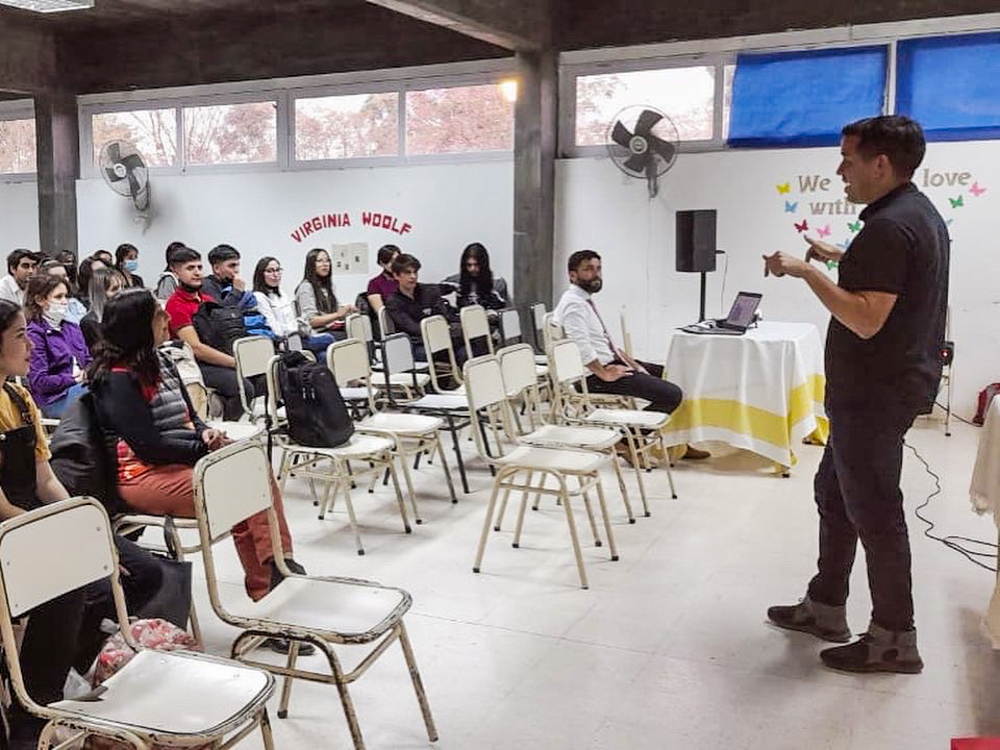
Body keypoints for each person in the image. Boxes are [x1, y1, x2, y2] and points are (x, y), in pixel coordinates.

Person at [764, 116, 949, 674]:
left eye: (847, 159)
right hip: (879, 391)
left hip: (874, 394)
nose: (839, 170)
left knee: (875, 512)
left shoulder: (890, 227)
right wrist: (839, 257)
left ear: (881, 164)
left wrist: (804, 272)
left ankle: (894, 637)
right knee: (835, 495)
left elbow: (867, 318)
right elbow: (890, 278)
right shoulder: (915, 215)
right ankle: (826, 605)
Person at [0, 298, 162, 750]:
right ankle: (33, 709)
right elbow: (1, 507)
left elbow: (46, 480)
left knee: (141, 571)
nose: (30, 345)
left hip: (35, 516)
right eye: (19, 336)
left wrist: (85, 527)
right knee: (70, 586)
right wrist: (68, 542)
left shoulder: (17, 395)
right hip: (9, 530)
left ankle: (51, 669)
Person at [90, 289, 306, 606]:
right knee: (240, 486)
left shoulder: (162, 359)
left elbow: (192, 417)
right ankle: (274, 576)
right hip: (140, 475)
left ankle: (275, 570)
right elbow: (149, 447)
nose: (168, 319)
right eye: (158, 315)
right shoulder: (116, 378)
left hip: (180, 459)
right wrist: (202, 447)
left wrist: (206, 434)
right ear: (139, 325)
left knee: (252, 467)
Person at [552, 250, 707, 460]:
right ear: (572, 275)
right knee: (672, 395)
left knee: (676, 374)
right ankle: (625, 441)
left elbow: (605, 343)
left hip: (608, 363)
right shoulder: (573, 304)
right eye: (588, 269)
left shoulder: (583, 300)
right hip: (591, 376)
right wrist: (604, 373)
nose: (596, 274)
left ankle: (677, 444)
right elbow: (581, 346)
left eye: (598, 269)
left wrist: (632, 363)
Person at [163, 246, 256, 421]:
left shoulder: (207, 300)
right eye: (190, 268)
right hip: (196, 364)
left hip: (217, 356)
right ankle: (227, 432)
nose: (197, 272)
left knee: (267, 376)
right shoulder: (176, 305)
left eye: (199, 267)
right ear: (175, 272)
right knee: (244, 388)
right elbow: (196, 348)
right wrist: (235, 362)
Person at [25, 274, 91, 419]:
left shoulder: (72, 328)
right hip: (55, 399)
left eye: (66, 296)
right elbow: (39, 381)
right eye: (58, 297)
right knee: (101, 396)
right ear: (40, 300)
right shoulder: (34, 333)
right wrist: (73, 379)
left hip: (82, 387)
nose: (64, 302)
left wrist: (89, 372)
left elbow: (88, 360)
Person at [386, 253, 465, 364]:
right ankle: (435, 380)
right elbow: (411, 327)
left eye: (415, 272)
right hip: (417, 343)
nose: (413, 276)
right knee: (425, 354)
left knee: (465, 350)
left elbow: (443, 316)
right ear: (396, 276)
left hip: (441, 338)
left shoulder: (430, 291)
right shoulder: (393, 302)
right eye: (408, 273)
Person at [253, 256, 333, 356]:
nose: (275, 275)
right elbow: (274, 329)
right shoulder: (259, 297)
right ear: (261, 274)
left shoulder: (282, 294)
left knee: (324, 355)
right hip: (284, 342)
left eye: (278, 270)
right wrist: (295, 328)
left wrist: (300, 326)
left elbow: (293, 320)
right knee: (329, 338)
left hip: (297, 336)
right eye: (270, 271)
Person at [201, 244, 274, 341]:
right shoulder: (207, 286)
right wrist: (237, 291)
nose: (236, 270)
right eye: (232, 266)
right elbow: (222, 316)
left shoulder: (230, 284)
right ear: (216, 268)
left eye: (237, 265)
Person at [295, 247, 354, 340]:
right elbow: (311, 321)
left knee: (356, 330)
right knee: (349, 338)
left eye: (327, 261)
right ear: (311, 265)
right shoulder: (306, 287)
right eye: (320, 261)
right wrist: (338, 315)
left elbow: (337, 309)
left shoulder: (329, 286)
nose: (325, 264)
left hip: (332, 329)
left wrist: (348, 310)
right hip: (317, 334)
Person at [441, 242, 510, 311]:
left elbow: (505, 310)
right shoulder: (454, 282)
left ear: (483, 264)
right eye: (469, 265)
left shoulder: (497, 283)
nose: (472, 269)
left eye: (476, 265)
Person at [79, 266, 125, 350]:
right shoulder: (90, 323)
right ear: (100, 293)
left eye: (122, 287)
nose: (121, 292)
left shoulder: (125, 316)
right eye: (114, 289)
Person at [39, 259, 87, 325]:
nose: (63, 279)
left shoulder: (75, 303)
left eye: (64, 275)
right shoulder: (45, 308)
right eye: (56, 277)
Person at [366, 244, 401, 315]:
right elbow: (381, 313)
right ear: (381, 263)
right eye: (389, 261)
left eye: (396, 260)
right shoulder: (375, 283)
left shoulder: (406, 278)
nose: (393, 264)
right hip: (393, 320)